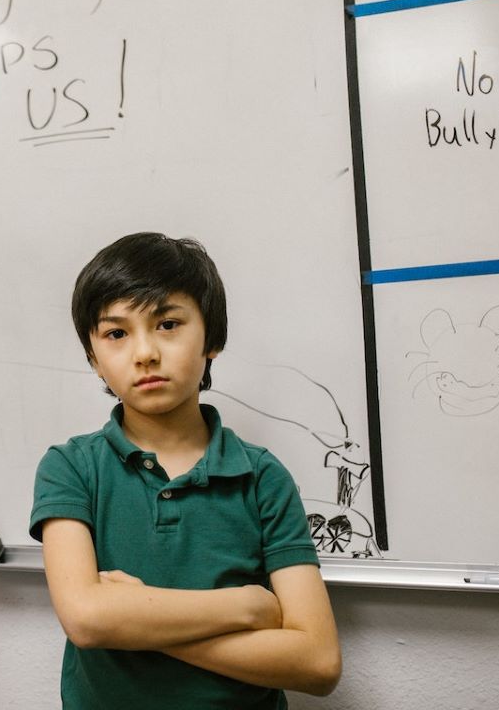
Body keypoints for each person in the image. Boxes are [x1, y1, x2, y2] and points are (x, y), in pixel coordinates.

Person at [30, 232, 340, 709]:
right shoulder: (71, 467)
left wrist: (134, 618)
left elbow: (317, 662)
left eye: (168, 324)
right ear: (93, 359)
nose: (145, 353)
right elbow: (88, 619)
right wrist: (244, 606)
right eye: (116, 333)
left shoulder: (262, 477)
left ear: (211, 339)